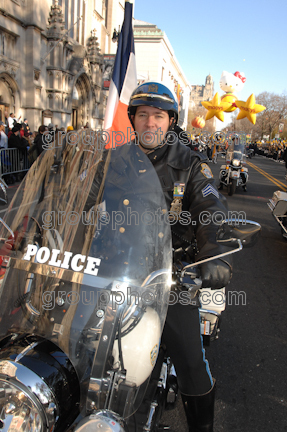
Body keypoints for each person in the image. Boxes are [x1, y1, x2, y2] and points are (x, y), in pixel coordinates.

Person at [125, 82, 232, 431]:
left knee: (190, 361)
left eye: (158, 116)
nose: (150, 123)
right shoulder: (116, 161)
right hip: (118, 270)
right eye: (143, 115)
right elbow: (78, 196)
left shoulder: (189, 165)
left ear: (170, 121)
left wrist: (214, 253)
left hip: (170, 276)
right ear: (134, 120)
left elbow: (211, 209)